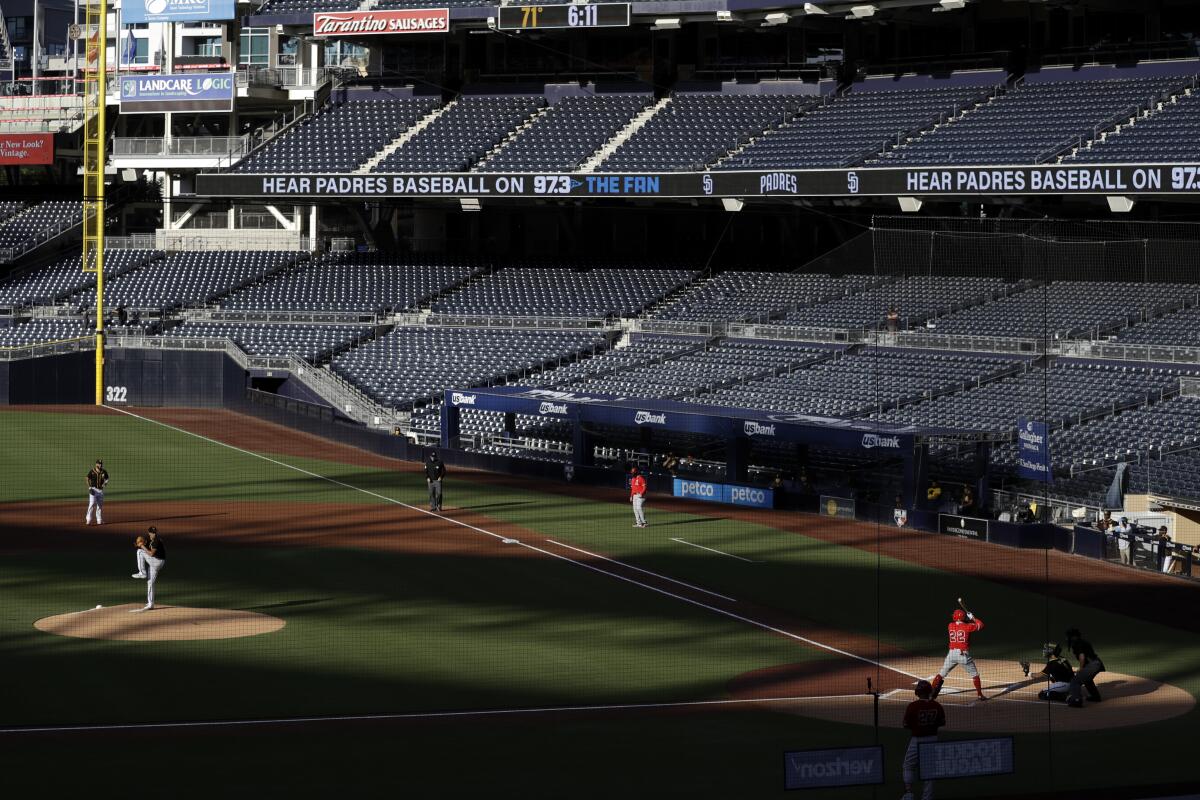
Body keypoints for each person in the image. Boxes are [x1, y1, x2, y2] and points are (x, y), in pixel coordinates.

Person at [901, 679, 945, 800]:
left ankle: (909, 793)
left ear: (917, 692)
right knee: (930, 770)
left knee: (908, 766)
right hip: (932, 740)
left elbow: (905, 725)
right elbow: (942, 722)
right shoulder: (937, 706)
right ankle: (927, 797)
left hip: (917, 740)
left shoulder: (912, 706)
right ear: (930, 691)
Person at [930, 607, 987, 701]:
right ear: (963, 617)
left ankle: (931, 692)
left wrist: (967, 619)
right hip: (963, 655)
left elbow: (959, 624)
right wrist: (973, 618)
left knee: (941, 674)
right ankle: (980, 695)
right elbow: (981, 625)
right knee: (975, 675)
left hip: (951, 654)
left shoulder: (950, 625)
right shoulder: (968, 626)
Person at [1064, 627, 1104, 707]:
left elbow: (1082, 656)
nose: (1067, 638)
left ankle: (1076, 700)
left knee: (1075, 681)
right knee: (1087, 680)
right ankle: (1095, 697)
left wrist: (1081, 668)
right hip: (1097, 663)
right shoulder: (1083, 642)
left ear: (1073, 636)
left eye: (1069, 636)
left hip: (1093, 665)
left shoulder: (1077, 643)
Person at [131, 526, 166, 612]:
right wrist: (138, 544)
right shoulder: (148, 539)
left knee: (139, 552)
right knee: (150, 582)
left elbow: (151, 554)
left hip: (158, 562)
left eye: (154, 532)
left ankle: (142, 573)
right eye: (151, 532)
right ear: (149, 532)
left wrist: (142, 546)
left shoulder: (157, 541)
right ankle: (151, 604)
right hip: (154, 562)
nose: (153, 534)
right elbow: (142, 543)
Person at [85, 459, 109, 525]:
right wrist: (89, 488)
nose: (100, 465)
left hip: (100, 491)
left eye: (101, 464)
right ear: (96, 464)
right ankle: (88, 519)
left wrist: (105, 484)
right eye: (99, 464)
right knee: (92, 504)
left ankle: (99, 519)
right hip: (93, 490)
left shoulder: (104, 471)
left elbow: (107, 478)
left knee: (100, 505)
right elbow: (87, 478)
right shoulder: (92, 471)